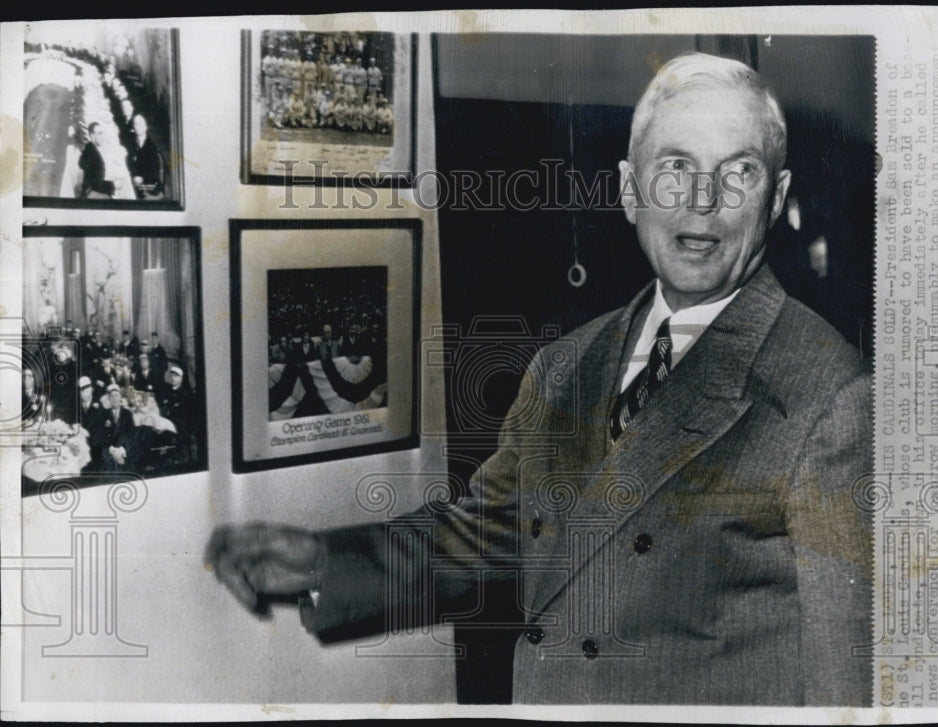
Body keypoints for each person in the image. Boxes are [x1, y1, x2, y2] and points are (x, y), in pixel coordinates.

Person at [206, 52, 873, 706]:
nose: (701, 201)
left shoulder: (830, 392)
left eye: (738, 173)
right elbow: (484, 532)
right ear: (628, 190)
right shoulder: (566, 364)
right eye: (674, 167)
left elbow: (848, 682)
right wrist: (325, 562)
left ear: (778, 197)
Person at [127, 114, 165, 199]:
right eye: (135, 124)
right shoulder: (132, 145)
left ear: (146, 126)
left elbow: (153, 173)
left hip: (150, 186)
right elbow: (130, 165)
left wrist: (142, 178)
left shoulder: (151, 147)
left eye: (140, 124)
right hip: (135, 184)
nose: (137, 127)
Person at [100, 383, 136, 472]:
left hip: (123, 449)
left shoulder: (127, 413)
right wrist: (110, 448)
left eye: (116, 396)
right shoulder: (104, 414)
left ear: (120, 398)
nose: (114, 398)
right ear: (109, 399)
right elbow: (101, 434)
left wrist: (122, 449)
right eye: (111, 396)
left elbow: (131, 434)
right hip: (109, 450)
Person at [78, 121, 116, 198]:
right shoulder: (90, 152)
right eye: (99, 134)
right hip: (92, 194)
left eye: (102, 133)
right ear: (92, 136)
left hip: (91, 191)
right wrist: (113, 185)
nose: (102, 136)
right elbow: (95, 183)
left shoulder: (90, 149)